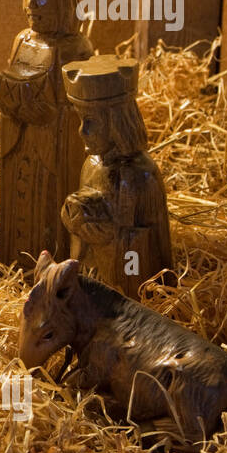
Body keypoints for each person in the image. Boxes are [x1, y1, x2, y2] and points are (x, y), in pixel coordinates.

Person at [0, 0, 94, 271]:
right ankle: (13, 263)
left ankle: (51, 269)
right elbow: (8, 93)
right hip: (20, 153)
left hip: (53, 163)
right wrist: (15, 104)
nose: (29, 5)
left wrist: (45, 111)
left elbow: (80, 114)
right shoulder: (22, 40)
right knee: (18, 213)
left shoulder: (73, 48)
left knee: (48, 220)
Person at [61, 56, 173, 297]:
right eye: (81, 120)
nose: (82, 131)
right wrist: (75, 221)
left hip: (132, 295)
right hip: (95, 289)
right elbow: (81, 243)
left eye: (90, 122)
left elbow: (147, 249)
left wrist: (110, 236)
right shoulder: (91, 165)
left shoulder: (142, 176)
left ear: (117, 124)